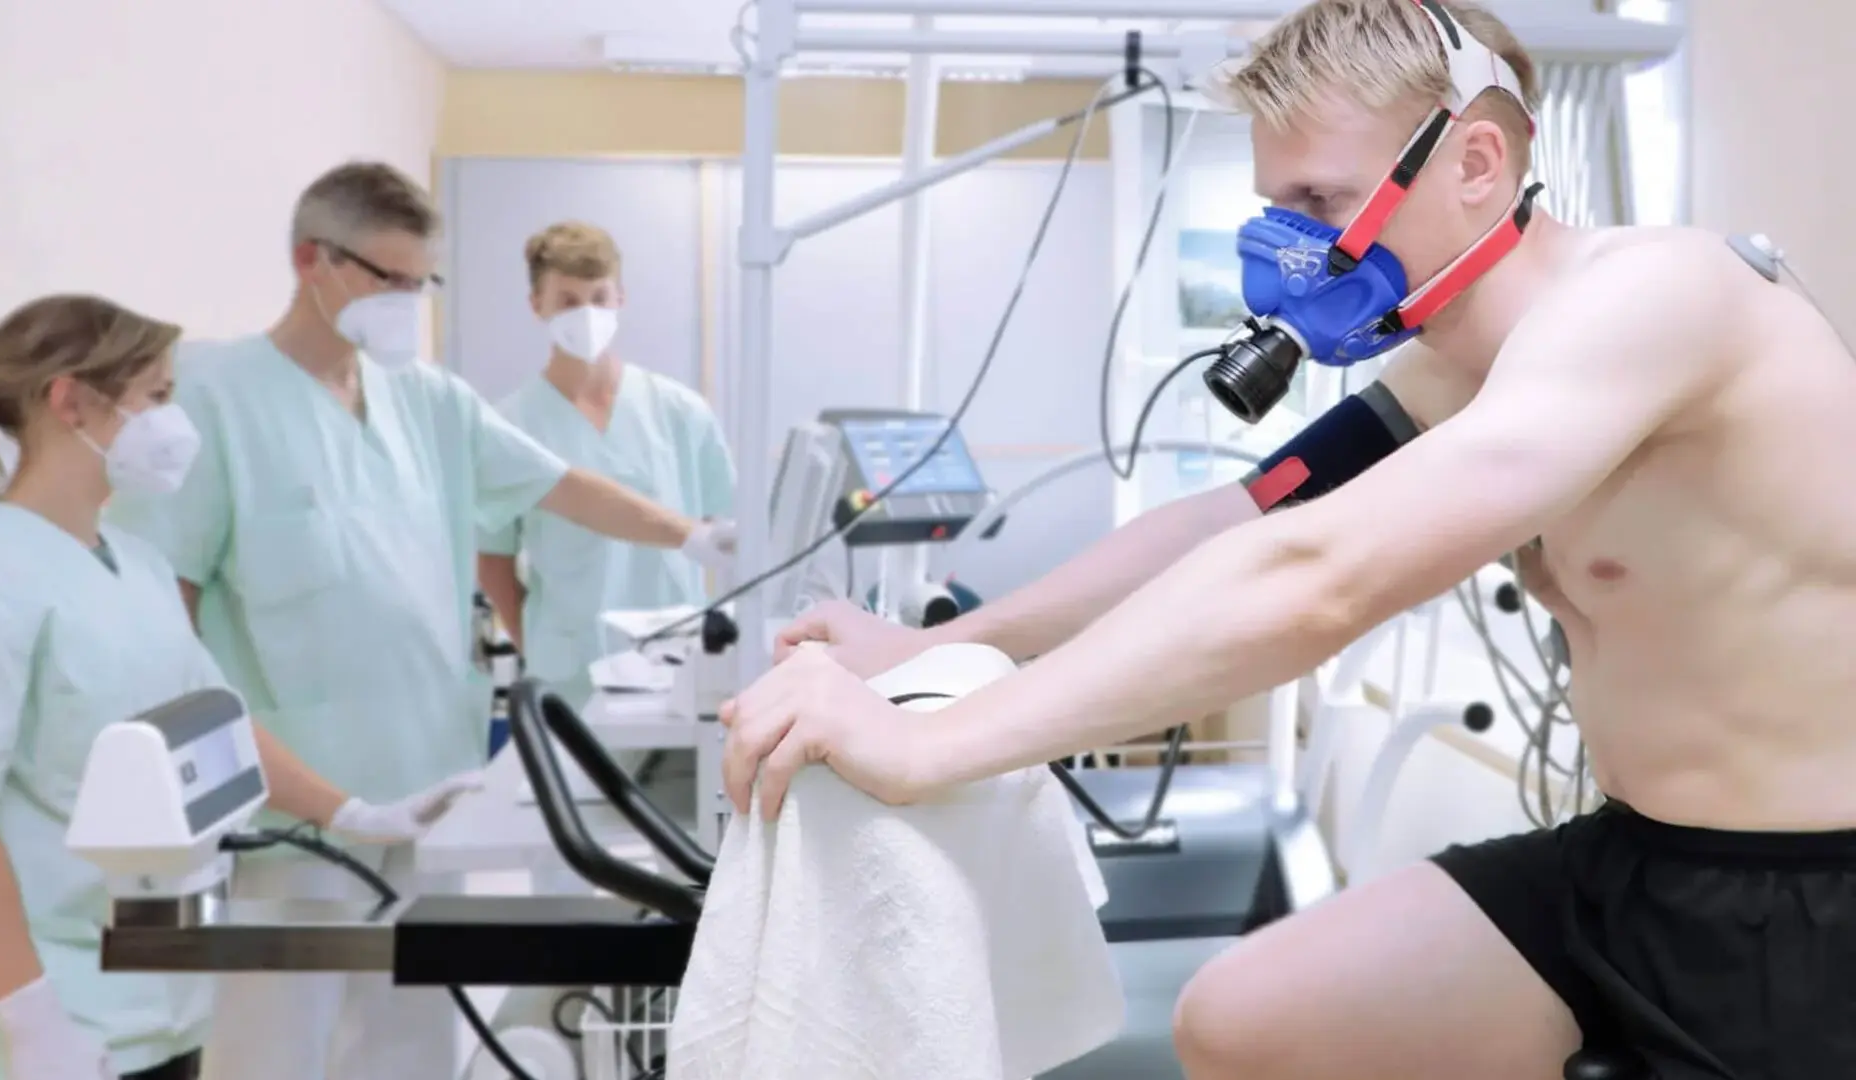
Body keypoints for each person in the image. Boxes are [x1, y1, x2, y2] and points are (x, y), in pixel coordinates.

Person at [719, 0, 1856, 1077]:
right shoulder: (1454, 367)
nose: (1291, 244)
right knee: (1248, 1021)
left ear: (1474, 165)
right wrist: (936, 657)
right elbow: (1237, 522)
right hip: (1630, 860)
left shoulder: (1663, 296)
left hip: (1808, 894)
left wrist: (934, 745)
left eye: (1322, 198)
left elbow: (1326, 578)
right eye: (1278, 205)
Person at [104, 162, 732, 1080]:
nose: (406, 302)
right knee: (277, 1059)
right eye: (385, 279)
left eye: (420, 284)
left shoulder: (427, 399)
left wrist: (702, 534)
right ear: (310, 261)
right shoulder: (220, 398)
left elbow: (563, 486)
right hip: (297, 826)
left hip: (432, 805)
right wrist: (325, 802)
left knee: (408, 1058)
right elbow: (167, 638)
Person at [0, 296, 490, 1080]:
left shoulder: (137, 563)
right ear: (69, 401)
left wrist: (356, 813)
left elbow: (215, 728)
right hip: (48, 1017)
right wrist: (28, 1021)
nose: (174, 423)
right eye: (156, 398)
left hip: (158, 1002)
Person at [478, 221, 735, 713]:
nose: (587, 314)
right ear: (538, 305)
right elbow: (493, 559)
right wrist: (539, 651)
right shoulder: (508, 426)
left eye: (599, 297)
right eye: (569, 301)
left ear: (621, 298)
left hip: (676, 667)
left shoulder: (680, 412)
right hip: (571, 673)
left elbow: (720, 533)